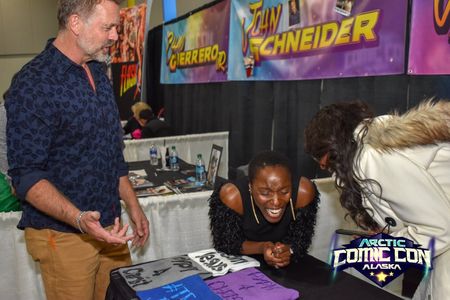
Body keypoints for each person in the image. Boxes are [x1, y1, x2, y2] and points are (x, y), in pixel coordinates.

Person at [4, 1, 149, 300]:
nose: (114, 37)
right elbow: (26, 177)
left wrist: (133, 205)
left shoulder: (99, 74)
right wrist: (80, 218)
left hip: (111, 227)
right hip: (63, 236)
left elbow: (111, 153)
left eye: (116, 29)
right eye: (107, 28)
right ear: (75, 24)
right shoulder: (33, 83)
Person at [304, 100, 450, 300]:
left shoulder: (373, 157)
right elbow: (415, 210)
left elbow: (439, 227)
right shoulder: (368, 147)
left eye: (327, 160)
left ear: (336, 147)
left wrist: (384, 251)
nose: (324, 167)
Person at [209, 150, 319, 268]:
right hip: (243, 264)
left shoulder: (304, 192)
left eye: (284, 191)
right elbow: (227, 243)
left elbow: (300, 242)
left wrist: (287, 250)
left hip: (289, 264)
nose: (276, 202)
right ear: (250, 187)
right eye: (265, 193)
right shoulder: (232, 197)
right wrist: (263, 247)